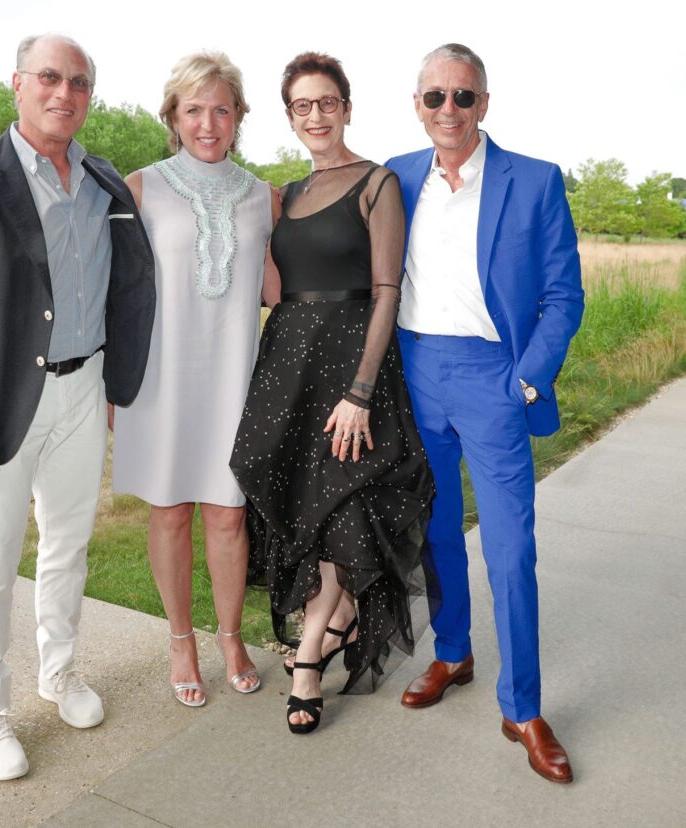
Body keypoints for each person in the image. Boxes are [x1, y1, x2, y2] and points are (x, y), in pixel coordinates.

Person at [0, 34, 155, 781]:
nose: (64, 94)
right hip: (2, 403)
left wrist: (120, 380)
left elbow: (128, 282)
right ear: (16, 84)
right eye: (49, 78)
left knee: (68, 547)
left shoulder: (102, 180)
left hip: (84, 393)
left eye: (78, 82)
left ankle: (60, 672)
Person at [386, 43, 584, 783]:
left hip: (494, 379)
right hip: (416, 373)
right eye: (434, 97)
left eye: (462, 97)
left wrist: (525, 382)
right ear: (417, 105)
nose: (448, 110)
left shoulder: (533, 182)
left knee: (509, 550)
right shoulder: (395, 178)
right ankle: (452, 653)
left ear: (484, 104)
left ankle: (523, 706)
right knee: (436, 533)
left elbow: (564, 297)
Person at [230, 52, 435, 735]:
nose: (315, 116)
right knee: (297, 503)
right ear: (289, 116)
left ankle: (311, 656)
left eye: (326, 102)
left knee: (340, 508)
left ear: (346, 106)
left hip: (351, 369)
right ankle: (337, 615)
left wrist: (361, 390)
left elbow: (385, 290)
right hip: (289, 365)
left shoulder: (376, 184)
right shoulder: (283, 193)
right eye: (301, 106)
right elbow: (270, 287)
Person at [112, 52, 278, 708]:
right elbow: (117, 294)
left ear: (238, 117)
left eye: (221, 108)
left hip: (234, 378)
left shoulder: (267, 197)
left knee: (230, 514)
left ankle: (230, 636)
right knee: (171, 510)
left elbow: (278, 291)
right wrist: (110, 385)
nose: (207, 122)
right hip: (161, 377)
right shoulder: (141, 187)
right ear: (172, 118)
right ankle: (181, 639)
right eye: (193, 109)